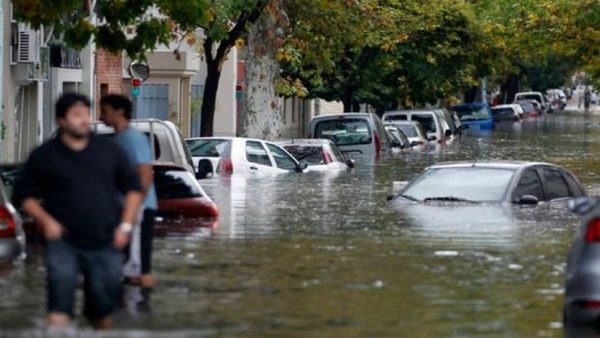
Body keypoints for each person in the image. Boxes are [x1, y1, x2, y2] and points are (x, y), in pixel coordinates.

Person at [12, 93, 144, 330]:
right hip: (63, 242)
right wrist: (47, 221)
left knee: (103, 314)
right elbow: (24, 197)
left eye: (86, 114)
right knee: (59, 309)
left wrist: (125, 227)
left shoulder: (109, 151)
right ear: (61, 120)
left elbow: (134, 189)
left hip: (106, 240)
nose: (84, 120)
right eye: (76, 115)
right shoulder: (44, 155)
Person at [99, 94, 158, 288]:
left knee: (141, 272)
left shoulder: (133, 139)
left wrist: (135, 209)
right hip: (124, 210)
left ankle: (142, 313)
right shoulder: (119, 140)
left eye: (104, 111)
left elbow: (145, 174)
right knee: (128, 270)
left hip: (137, 211)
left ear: (119, 112)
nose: (100, 117)